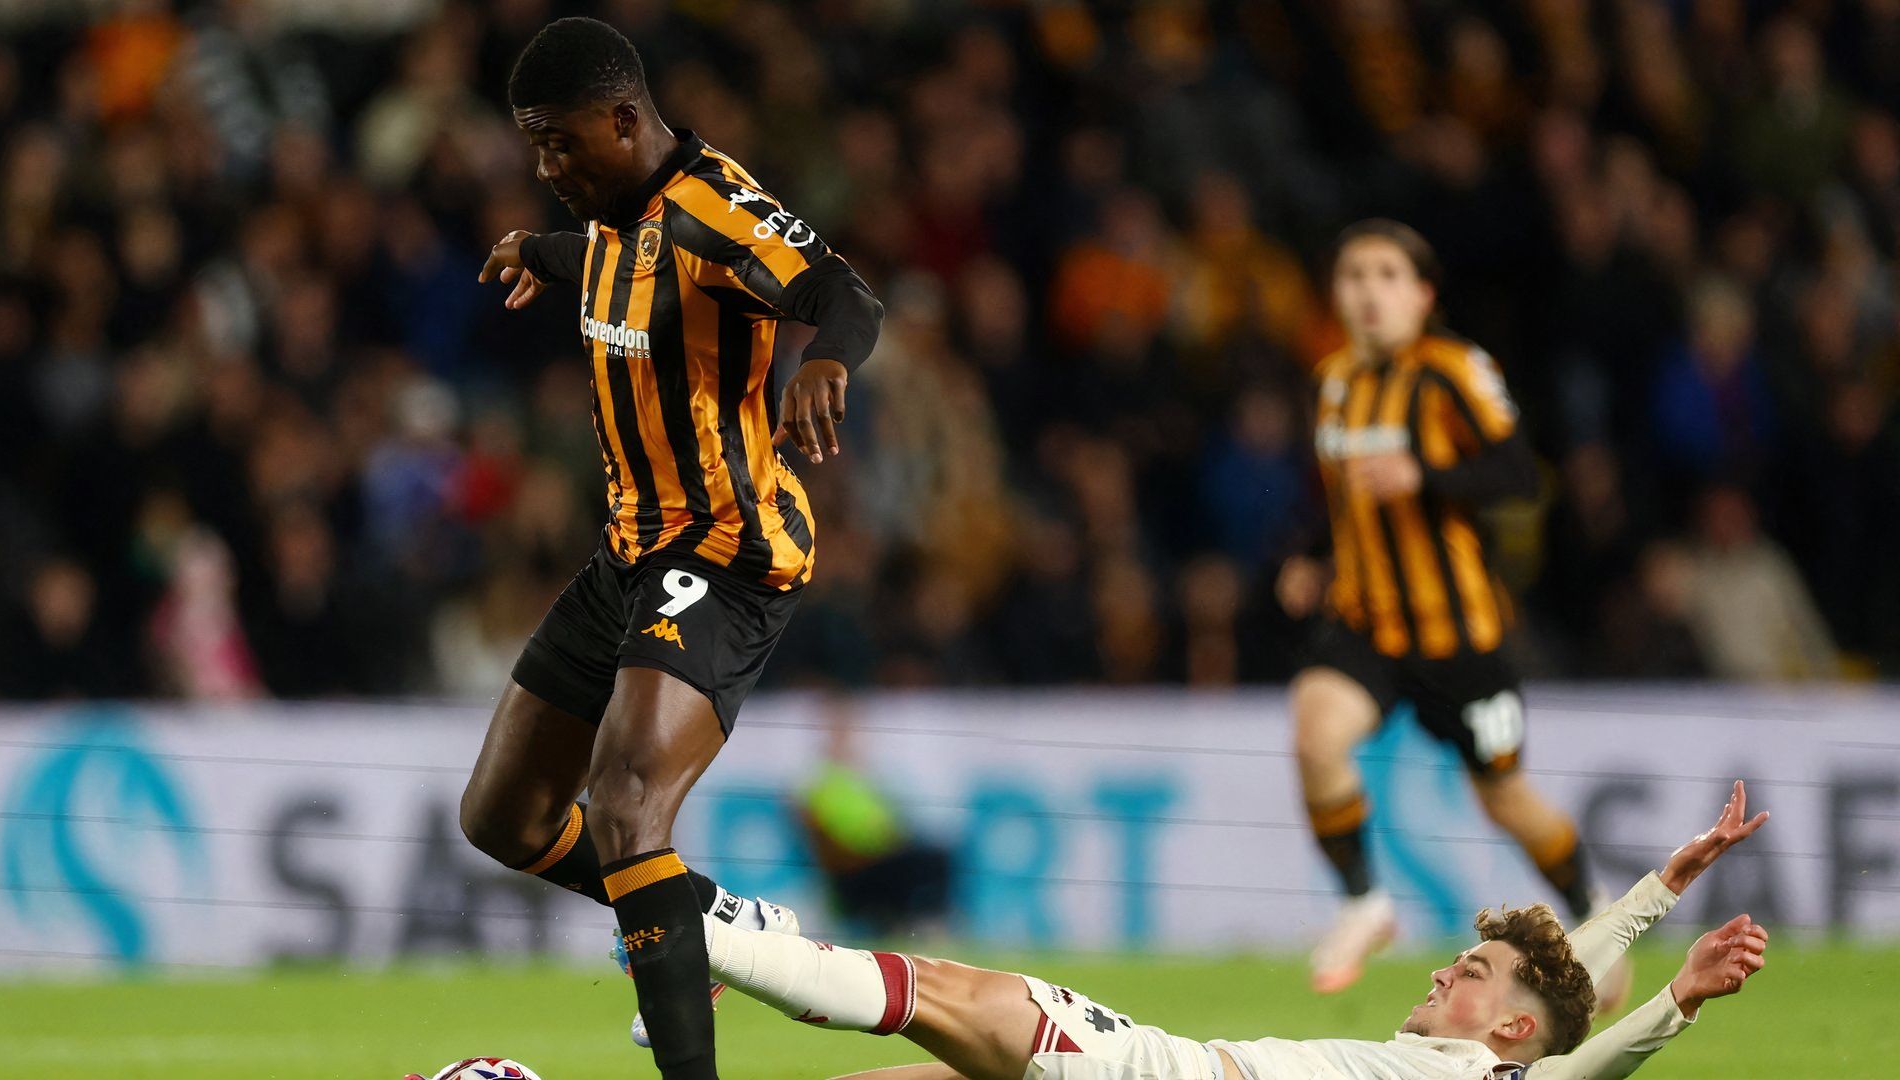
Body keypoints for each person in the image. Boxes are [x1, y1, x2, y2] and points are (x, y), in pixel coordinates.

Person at [454, 17, 885, 1080]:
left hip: (728, 550)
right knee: (501, 819)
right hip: (628, 554)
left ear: (623, 118)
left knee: (625, 806)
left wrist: (825, 362)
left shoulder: (710, 207)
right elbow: (597, 256)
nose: (547, 168)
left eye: (560, 143)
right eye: (533, 147)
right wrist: (532, 255)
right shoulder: (606, 213)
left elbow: (843, 290)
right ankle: (711, 926)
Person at [699, 781, 1768, 1080]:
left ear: (1508, 1035)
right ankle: (740, 949)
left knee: (953, 994)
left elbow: (1585, 1048)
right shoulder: (1468, 1057)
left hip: (1167, 1075)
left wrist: (1674, 1000)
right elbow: (1562, 992)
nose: (1450, 967)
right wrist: (1658, 890)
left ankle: (717, 931)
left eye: (1472, 971)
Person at [1273, 220, 1617, 997]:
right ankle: (1364, 903)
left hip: (1459, 637)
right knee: (1315, 729)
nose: (1368, 291)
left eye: (1388, 274)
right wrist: (1311, 561)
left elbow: (1521, 475)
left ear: (1424, 294)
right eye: (1354, 275)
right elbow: (1336, 502)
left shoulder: (1456, 370)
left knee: (1504, 797)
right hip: (1366, 624)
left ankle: (1594, 910)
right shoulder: (1333, 381)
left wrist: (1423, 474)